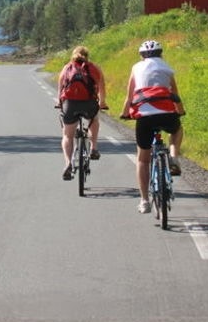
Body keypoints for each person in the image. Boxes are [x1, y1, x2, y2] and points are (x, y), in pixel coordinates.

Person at [119, 39, 185, 213]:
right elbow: (175, 94)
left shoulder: (136, 67)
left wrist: (125, 113)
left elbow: (130, 96)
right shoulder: (166, 67)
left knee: (142, 160)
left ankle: (144, 201)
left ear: (142, 55)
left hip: (145, 117)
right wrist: (180, 111)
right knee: (177, 130)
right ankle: (173, 157)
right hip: (166, 114)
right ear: (160, 54)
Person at [56, 45, 107, 180]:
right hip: (89, 103)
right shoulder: (94, 68)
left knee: (67, 136)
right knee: (94, 119)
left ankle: (68, 163)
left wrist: (59, 103)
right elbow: (101, 87)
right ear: (87, 56)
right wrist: (102, 103)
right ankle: (93, 148)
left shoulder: (67, 68)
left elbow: (60, 87)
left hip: (70, 104)